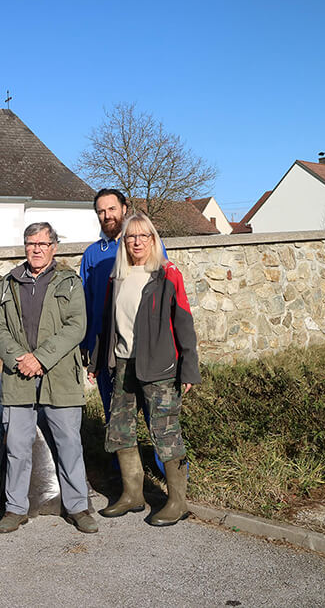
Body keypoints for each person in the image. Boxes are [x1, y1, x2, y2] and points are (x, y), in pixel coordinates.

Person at [91, 211, 200, 525]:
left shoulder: (167, 274)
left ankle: (177, 502)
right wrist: (99, 362)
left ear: (153, 239)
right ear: (123, 242)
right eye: (130, 236)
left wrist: (189, 368)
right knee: (120, 430)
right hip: (124, 364)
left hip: (161, 368)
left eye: (143, 236)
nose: (136, 242)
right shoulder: (118, 277)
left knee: (166, 433)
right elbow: (108, 324)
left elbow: (184, 322)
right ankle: (132, 495)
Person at [0, 222, 96, 535]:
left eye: (42, 243)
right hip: (19, 376)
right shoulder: (9, 282)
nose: (36, 249)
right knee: (17, 446)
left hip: (59, 376)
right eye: (30, 243)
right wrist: (19, 358)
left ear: (54, 247)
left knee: (69, 445)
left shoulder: (70, 282)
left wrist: (41, 358)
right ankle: (15, 508)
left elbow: (76, 326)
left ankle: (78, 507)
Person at [80, 188, 128, 421]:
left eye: (112, 209)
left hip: (139, 344)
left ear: (124, 209)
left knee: (154, 415)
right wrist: (86, 345)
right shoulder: (92, 254)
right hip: (103, 346)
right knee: (114, 416)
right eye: (101, 211)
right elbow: (85, 302)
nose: (107, 215)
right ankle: (120, 459)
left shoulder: (143, 244)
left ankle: (163, 459)